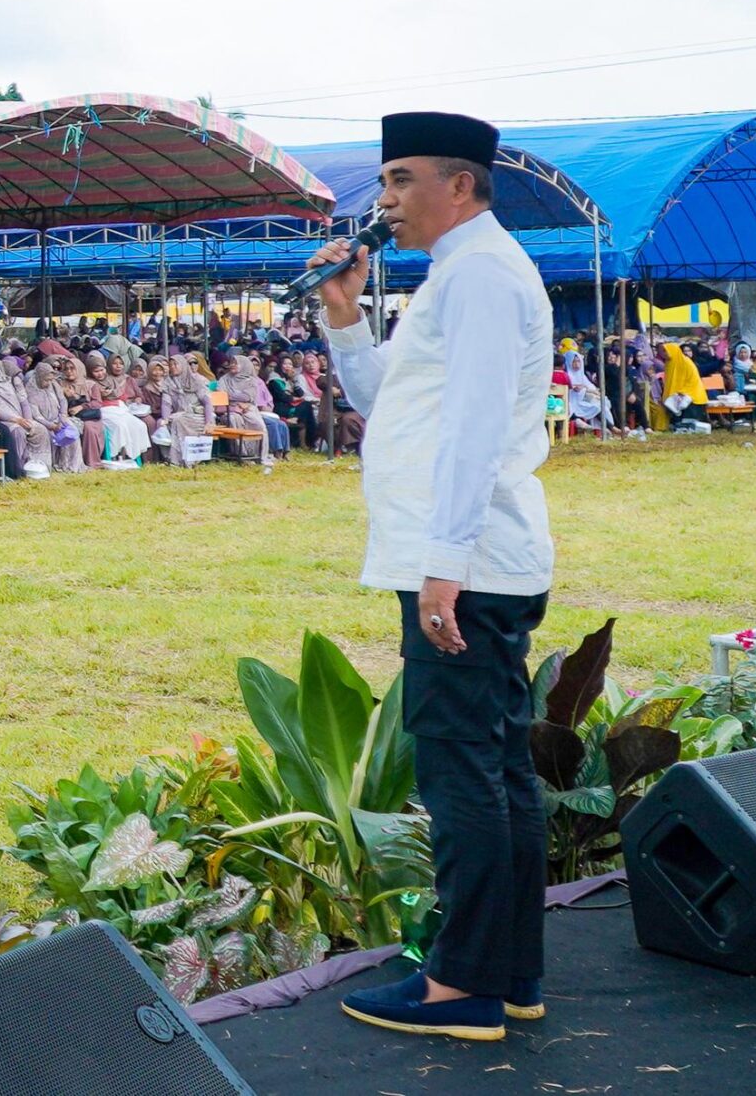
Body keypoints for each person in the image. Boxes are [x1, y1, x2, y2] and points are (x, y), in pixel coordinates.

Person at [320, 113, 555, 1044]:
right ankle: (507, 974)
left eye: (401, 179)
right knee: (494, 769)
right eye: (383, 183)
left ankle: (462, 988)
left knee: (463, 772)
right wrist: (346, 318)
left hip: (467, 563)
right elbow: (400, 412)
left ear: (461, 185)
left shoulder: (485, 278)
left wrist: (442, 568)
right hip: (465, 559)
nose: (384, 202)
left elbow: (474, 430)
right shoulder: (457, 278)